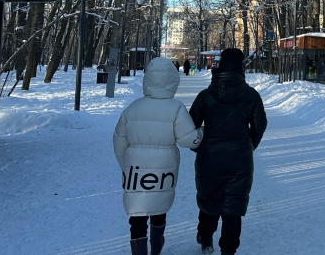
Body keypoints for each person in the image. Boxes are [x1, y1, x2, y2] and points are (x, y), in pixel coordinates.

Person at [113, 57, 203, 255]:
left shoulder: (133, 108)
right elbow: (189, 140)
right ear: (173, 81)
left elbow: (119, 139)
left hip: (135, 171)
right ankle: (156, 248)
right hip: (164, 170)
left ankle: (138, 251)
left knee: (136, 215)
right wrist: (201, 133)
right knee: (158, 208)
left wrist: (125, 165)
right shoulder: (176, 108)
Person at [189, 48, 267, 255]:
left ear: (220, 66)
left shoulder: (205, 96)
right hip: (240, 159)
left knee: (210, 199)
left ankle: (205, 238)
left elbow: (191, 127)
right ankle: (228, 250)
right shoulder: (251, 95)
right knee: (234, 205)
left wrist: (197, 146)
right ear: (241, 68)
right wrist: (249, 145)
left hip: (209, 158)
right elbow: (260, 125)